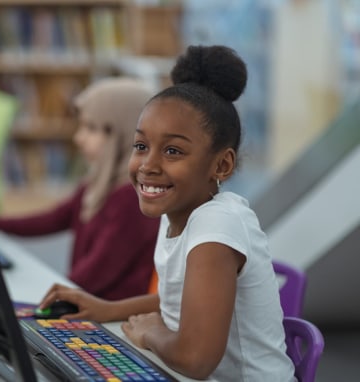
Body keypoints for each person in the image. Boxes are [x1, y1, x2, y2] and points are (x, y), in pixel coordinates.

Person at [37, 45, 297, 381]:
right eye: (141, 146)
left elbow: (195, 358)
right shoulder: (178, 211)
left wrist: (151, 334)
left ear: (222, 165)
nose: (148, 165)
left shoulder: (217, 224)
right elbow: (175, 301)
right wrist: (105, 309)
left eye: (173, 151)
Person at [0, 77, 160, 301]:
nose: (78, 138)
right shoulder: (98, 182)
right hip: (85, 299)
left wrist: (48, 298)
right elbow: (54, 219)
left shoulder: (132, 199)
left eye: (91, 128)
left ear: (125, 134)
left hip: (110, 318)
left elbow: (96, 272)